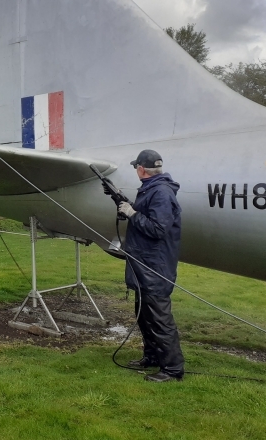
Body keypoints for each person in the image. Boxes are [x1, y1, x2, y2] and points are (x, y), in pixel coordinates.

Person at [117, 149, 184, 382]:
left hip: (155, 267)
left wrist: (132, 213)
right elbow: (145, 215)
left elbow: (158, 229)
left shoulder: (162, 193)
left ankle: (173, 370)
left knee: (159, 318)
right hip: (143, 264)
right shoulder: (152, 189)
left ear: (141, 169)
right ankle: (153, 356)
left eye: (136, 167)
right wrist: (124, 203)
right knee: (143, 314)